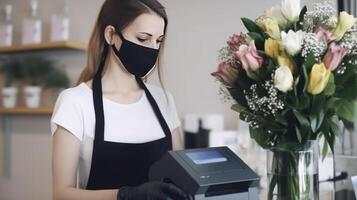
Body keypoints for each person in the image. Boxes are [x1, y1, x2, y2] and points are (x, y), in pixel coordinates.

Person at [51, 0, 190, 199]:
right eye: (143, 39)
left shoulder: (163, 100)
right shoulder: (75, 103)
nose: (152, 49)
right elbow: (61, 194)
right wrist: (125, 195)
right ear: (111, 35)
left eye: (158, 41)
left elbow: (182, 178)